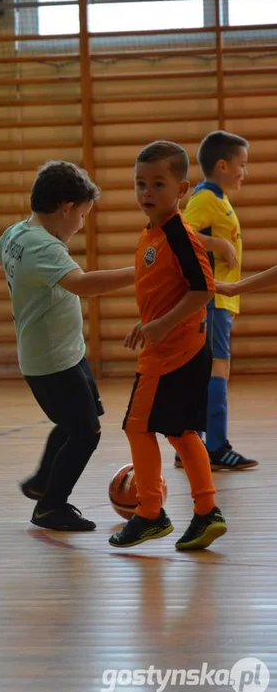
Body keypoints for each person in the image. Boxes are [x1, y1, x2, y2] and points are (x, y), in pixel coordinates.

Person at [0, 160, 135, 531]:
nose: (81, 224)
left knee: (75, 423)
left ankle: (41, 483)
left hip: (64, 354)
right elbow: (83, 284)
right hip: (53, 362)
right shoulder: (45, 248)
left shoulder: (19, 232)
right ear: (66, 208)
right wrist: (145, 273)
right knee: (85, 434)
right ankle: (51, 506)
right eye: (82, 215)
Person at [109, 140, 227, 550]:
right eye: (140, 183)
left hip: (173, 353)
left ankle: (149, 513)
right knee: (179, 431)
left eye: (158, 184)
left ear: (183, 189)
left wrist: (159, 325)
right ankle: (206, 511)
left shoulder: (178, 233)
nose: (146, 192)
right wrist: (151, 323)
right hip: (178, 347)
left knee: (137, 427)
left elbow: (204, 289)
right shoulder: (156, 232)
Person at [174, 130, 258, 470]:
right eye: (242, 165)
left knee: (205, 372)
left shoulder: (219, 198)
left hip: (222, 302)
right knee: (216, 371)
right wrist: (219, 246)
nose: (244, 172)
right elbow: (180, 232)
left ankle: (189, 446)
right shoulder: (206, 197)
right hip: (213, 301)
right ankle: (216, 448)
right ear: (222, 165)